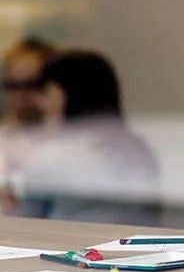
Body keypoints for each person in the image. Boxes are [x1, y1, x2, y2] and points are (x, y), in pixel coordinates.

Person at [4, 50, 161, 226]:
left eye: (46, 93)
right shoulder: (138, 149)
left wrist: (8, 206)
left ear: (64, 97)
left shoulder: (56, 157)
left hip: (69, 248)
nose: (39, 102)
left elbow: (25, 226)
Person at [0, 37, 56, 214]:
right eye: (13, 86)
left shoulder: (64, 141)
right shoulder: (4, 138)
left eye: (30, 85)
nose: (20, 96)